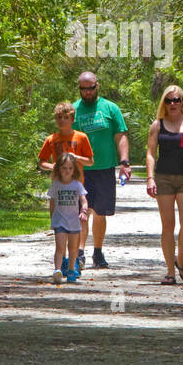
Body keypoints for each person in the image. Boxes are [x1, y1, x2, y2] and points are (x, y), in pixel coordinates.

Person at [145, 84, 183, 285]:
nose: (172, 104)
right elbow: (151, 153)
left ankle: (180, 259)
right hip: (164, 177)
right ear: (164, 103)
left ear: (182, 102)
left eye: (176, 100)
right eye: (168, 100)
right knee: (168, 226)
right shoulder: (157, 125)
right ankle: (170, 272)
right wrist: (150, 177)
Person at [72, 71, 130, 269]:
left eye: (91, 88)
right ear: (79, 89)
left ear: (97, 86)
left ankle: (97, 251)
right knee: (82, 211)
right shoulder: (73, 110)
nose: (87, 92)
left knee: (100, 212)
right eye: (83, 89)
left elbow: (120, 136)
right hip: (80, 170)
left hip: (104, 168)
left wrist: (124, 162)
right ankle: (79, 253)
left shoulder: (110, 108)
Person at [38, 101, 93, 277]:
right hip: (60, 186)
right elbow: (42, 162)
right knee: (60, 224)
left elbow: (91, 161)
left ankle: (74, 262)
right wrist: (53, 166)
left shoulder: (81, 137)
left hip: (77, 185)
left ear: (72, 119)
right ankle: (61, 264)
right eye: (59, 118)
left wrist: (77, 157)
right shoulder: (51, 139)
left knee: (78, 223)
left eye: (66, 118)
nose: (62, 121)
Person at [47, 153, 89, 284]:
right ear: (58, 168)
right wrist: (52, 218)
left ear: (74, 170)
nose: (67, 171)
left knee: (73, 248)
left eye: (70, 168)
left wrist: (83, 211)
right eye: (64, 168)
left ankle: (71, 270)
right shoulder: (55, 184)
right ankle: (57, 270)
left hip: (74, 222)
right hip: (59, 221)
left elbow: (84, 200)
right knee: (60, 247)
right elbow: (52, 203)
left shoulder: (77, 185)